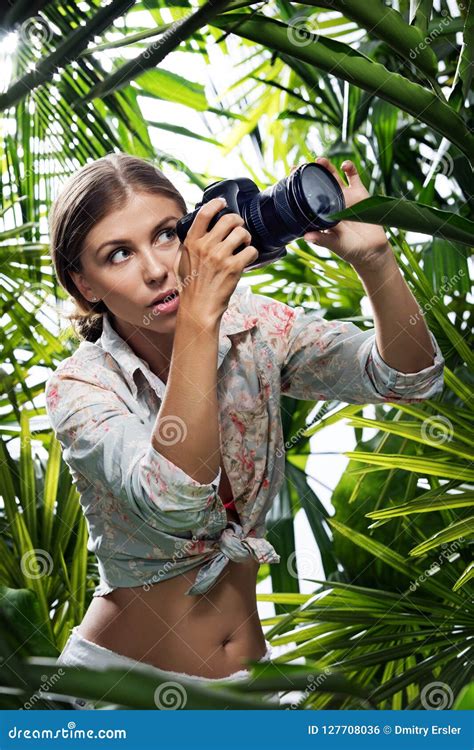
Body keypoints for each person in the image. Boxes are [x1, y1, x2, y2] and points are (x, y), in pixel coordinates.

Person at [45, 152, 444, 709]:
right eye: (119, 254)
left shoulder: (256, 327)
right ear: (84, 283)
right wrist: (198, 321)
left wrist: (375, 260)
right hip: (114, 692)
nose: (157, 269)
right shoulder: (80, 389)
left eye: (166, 235)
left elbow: (407, 378)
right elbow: (176, 498)